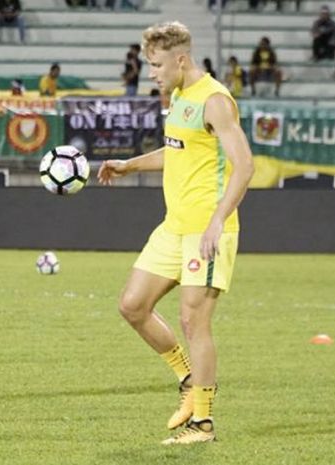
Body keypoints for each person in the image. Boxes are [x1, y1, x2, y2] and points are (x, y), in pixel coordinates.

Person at [97, 21, 254, 444]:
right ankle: (187, 379)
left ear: (180, 59)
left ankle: (202, 423)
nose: (151, 72)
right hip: (174, 226)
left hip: (206, 229)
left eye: (156, 64)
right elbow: (178, 150)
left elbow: (245, 165)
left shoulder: (216, 100)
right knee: (132, 305)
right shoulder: (181, 96)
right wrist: (129, 165)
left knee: (193, 320)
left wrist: (219, 220)